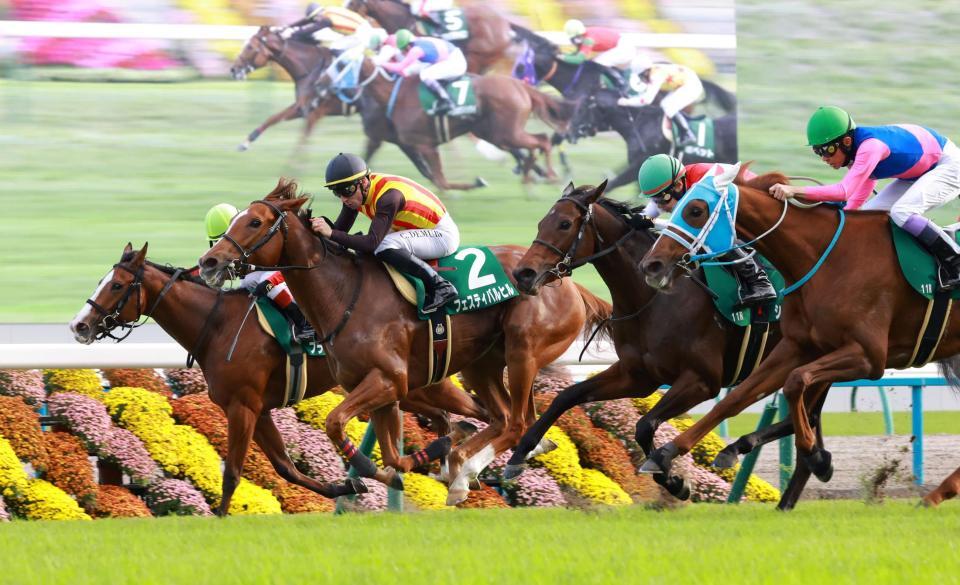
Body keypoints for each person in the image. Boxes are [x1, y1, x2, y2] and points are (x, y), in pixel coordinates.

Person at [769, 106, 960, 289]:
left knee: (902, 212)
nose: (824, 158)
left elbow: (844, 191)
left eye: (827, 150)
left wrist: (794, 191)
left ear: (846, 142)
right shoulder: (858, 155)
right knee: (870, 216)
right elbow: (853, 206)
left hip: (948, 165)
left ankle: (955, 262)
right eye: (817, 151)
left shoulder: (870, 148)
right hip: (920, 172)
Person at [311, 153, 460, 313]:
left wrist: (332, 233)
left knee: (382, 245)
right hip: (413, 229)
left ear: (363, 182)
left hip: (441, 234)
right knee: (364, 245)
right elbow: (339, 232)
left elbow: (371, 243)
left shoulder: (389, 197)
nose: (343, 199)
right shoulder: (358, 193)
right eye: (337, 192)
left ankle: (441, 286)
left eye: (346, 191)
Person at [637, 154, 778, 307]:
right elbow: (645, 217)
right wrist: (643, 219)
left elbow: (682, 229)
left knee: (713, 234)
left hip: (753, 204)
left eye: (661, 199)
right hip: (733, 203)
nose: (659, 206)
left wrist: (652, 223)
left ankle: (759, 281)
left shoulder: (701, 182)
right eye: (654, 200)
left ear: (678, 186)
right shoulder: (676, 183)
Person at [204, 203, 316, 343]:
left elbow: (284, 268)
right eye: (216, 242)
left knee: (266, 281)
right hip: (272, 278)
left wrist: (268, 283)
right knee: (246, 283)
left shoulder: (261, 238)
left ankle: (305, 323)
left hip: (294, 279)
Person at [617, 54, 703, 146]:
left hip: (691, 86)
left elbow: (646, 100)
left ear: (645, 72)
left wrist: (627, 102)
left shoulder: (655, 76)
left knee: (668, 107)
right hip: (686, 82)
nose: (640, 78)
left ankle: (688, 134)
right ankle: (683, 127)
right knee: (665, 104)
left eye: (640, 76)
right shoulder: (653, 70)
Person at [380, 29, 467, 114]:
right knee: (422, 71)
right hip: (453, 57)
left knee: (425, 74)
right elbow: (406, 71)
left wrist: (382, 63)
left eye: (403, 49)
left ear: (407, 46)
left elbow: (400, 67)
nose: (403, 52)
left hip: (455, 63)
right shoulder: (420, 40)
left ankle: (446, 101)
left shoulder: (416, 50)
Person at [283, 3, 373, 55]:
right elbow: (307, 21)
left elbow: (310, 29)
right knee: (335, 44)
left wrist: (291, 34)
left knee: (335, 47)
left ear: (317, 14)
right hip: (363, 27)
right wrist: (287, 27)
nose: (315, 20)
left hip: (361, 34)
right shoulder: (328, 10)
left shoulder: (326, 20)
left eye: (315, 18)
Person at [561, 19, 635, 70]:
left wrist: (561, 57)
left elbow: (579, 59)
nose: (574, 41)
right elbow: (577, 54)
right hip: (618, 46)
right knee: (595, 62)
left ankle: (617, 85)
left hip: (624, 48)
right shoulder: (583, 35)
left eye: (574, 38)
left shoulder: (589, 39)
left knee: (598, 64)